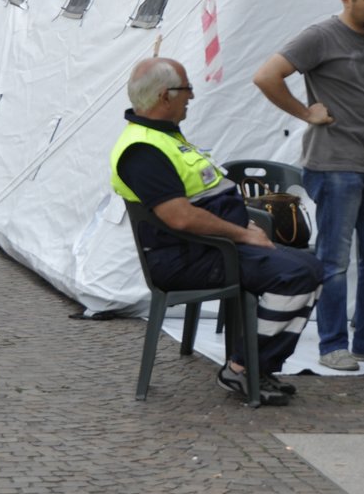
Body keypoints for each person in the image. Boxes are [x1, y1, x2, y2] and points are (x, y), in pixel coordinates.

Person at [110, 57, 324, 405]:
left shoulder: (164, 136)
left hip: (208, 247)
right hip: (189, 256)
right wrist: (242, 233)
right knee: (295, 276)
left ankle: (259, 365)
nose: (191, 97)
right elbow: (180, 217)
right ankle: (242, 370)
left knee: (311, 268)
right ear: (165, 96)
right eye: (187, 89)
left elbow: (204, 196)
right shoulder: (142, 150)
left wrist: (245, 222)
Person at [253, 0, 364, 373]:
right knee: (334, 260)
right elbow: (266, 76)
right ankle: (333, 344)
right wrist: (305, 112)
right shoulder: (320, 35)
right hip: (333, 166)